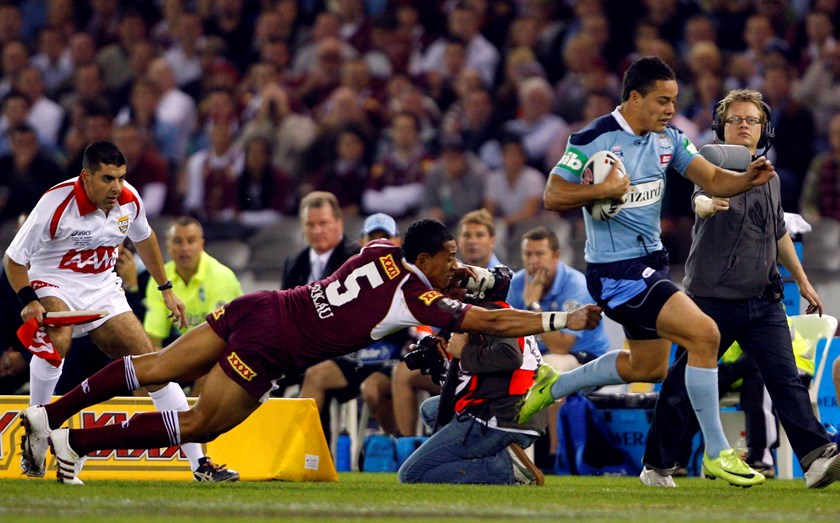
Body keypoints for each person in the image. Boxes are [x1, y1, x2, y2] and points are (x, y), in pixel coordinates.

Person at [18, 219, 601, 485]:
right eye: (448, 257)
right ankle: (76, 441)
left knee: (157, 366)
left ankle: (53, 417)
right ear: (426, 260)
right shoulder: (415, 294)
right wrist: (559, 318)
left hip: (261, 306)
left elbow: (430, 271)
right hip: (274, 346)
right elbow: (490, 317)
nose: (454, 265)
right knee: (199, 422)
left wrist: (457, 274)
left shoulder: (380, 248)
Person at [516, 56, 777, 488]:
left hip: (650, 266)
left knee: (648, 367)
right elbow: (553, 193)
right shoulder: (593, 138)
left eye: (674, 101)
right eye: (662, 101)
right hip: (616, 273)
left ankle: (554, 385)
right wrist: (603, 190)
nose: (670, 110)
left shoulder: (668, 140)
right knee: (705, 335)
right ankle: (717, 453)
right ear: (634, 98)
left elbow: (713, 179)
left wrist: (747, 178)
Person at [641, 89, 839, 489]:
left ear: (764, 129)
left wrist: (802, 281)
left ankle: (817, 458)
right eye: (736, 119)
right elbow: (700, 197)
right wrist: (706, 205)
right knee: (681, 385)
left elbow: (778, 232)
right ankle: (658, 465)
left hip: (763, 300)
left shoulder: (770, 176)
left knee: (786, 380)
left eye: (752, 120)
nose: (744, 125)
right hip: (712, 299)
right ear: (721, 127)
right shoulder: (710, 160)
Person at [5, 141, 236, 483]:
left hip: (101, 288)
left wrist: (166, 288)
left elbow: (145, 238)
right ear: (86, 177)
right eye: (107, 179)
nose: (116, 187)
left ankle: (199, 464)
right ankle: (38, 432)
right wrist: (29, 299)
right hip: (53, 281)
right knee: (58, 341)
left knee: (157, 367)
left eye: (121, 177)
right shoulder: (54, 203)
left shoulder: (129, 198)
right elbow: (13, 260)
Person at [397, 291, 548, 486]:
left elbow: (510, 356)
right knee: (432, 410)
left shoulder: (487, 315)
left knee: (411, 475)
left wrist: (463, 352)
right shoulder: (494, 310)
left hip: (505, 413)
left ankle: (504, 469)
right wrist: (446, 365)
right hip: (518, 406)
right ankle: (494, 453)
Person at [299, 213, 406, 436]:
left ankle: (398, 443)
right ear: (361, 243)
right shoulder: (348, 274)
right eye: (373, 237)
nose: (379, 243)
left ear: (398, 242)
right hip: (355, 358)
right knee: (315, 375)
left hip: (391, 360)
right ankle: (308, 455)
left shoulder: (407, 277)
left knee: (372, 389)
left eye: (385, 237)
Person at [143, 217, 243, 396]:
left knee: (209, 367)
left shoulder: (221, 277)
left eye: (191, 240)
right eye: (178, 241)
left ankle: (194, 422)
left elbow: (216, 341)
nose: (185, 248)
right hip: (185, 353)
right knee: (142, 370)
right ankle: (150, 421)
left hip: (230, 352)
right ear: (168, 246)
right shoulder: (159, 279)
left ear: (201, 244)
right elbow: (154, 340)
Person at [282, 191, 360, 291]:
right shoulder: (293, 264)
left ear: (339, 223)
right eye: (310, 224)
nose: (317, 231)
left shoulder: (357, 258)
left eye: (323, 223)